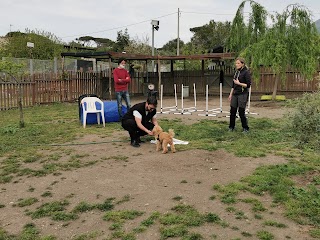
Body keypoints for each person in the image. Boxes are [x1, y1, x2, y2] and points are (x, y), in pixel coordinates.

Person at [228, 57, 251, 133]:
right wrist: (231, 94)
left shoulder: (246, 72)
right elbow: (233, 85)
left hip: (242, 94)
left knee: (241, 112)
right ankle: (231, 127)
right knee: (232, 111)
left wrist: (239, 83)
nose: (236, 64)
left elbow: (248, 85)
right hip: (235, 94)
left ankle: (245, 128)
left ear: (242, 64)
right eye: (236, 63)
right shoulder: (236, 72)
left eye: (238, 63)